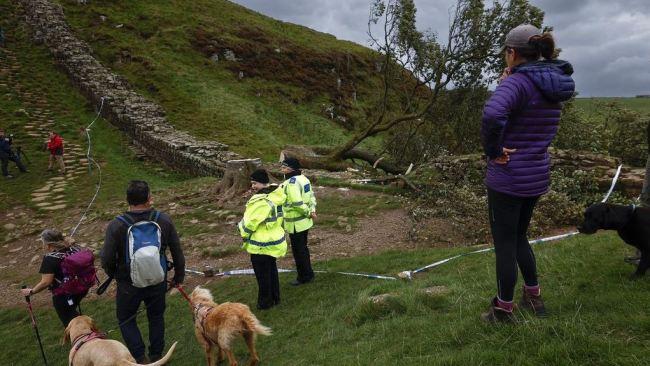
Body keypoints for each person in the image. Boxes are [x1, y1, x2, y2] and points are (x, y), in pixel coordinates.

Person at [480, 24, 575, 322]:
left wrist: (494, 151)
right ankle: (533, 298)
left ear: (512, 53)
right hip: (536, 174)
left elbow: (493, 114)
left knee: (506, 242)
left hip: (508, 177)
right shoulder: (551, 83)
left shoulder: (516, 84)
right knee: (520, 237)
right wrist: (510, 82)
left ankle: (502, 310)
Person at [100, 180, 185, 363]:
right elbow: (177, 251)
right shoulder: (163, 219)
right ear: (149, 198)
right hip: (157, 279)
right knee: (156, 316)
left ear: (127, 199)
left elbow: (106, 258)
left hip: (128, 283)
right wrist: (178, 277)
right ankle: (157, 353)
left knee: (126, 319)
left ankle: (140, 358)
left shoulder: (116, 225)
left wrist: (116, 274)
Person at [238, 169, 287, 310]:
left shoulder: (261, 201)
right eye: (252, 183)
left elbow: (250, 223)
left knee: (263, 276)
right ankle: (275, 297)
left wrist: (242, 232)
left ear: (263, 183)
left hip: (261, 244)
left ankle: (265, 303)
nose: (253, 186)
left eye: (255, 183)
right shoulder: (276, 195)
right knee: (271, 271)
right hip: (274, 241)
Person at [19, 229, 85, 327]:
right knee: (72, 313)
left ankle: (89, 338)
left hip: (63, 295)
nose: (42, 245)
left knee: (71, 323)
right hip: (80, 289)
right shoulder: (74, 249)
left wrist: (31, 291)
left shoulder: (50, 258)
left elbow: (46, 282)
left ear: (48, 245)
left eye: (43, 242)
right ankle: (90, 334)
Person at [280, 157, 316, 286]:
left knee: (298, 251)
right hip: (305, 222)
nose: (282, 170)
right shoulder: (304, 178)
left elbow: (297, 203)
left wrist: (307, 212)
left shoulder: (291, 182)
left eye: (284, 168)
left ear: (291, 169)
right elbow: (311, 196)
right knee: (303, 249)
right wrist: (311, 210)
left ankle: (304, 277)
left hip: (295, 224)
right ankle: (308, 273)